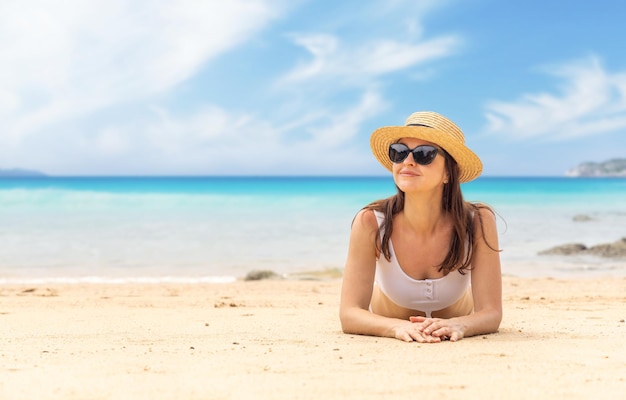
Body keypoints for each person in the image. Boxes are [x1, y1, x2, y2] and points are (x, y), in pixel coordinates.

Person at [340, 111, 502, 343]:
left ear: (448, 172)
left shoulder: (478, 222)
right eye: (399, 152)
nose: (408, 161)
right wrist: (396, 327)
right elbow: (349, 314)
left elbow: (492, 313)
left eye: (424, 154)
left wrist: (460, 325)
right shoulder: (371, 222)